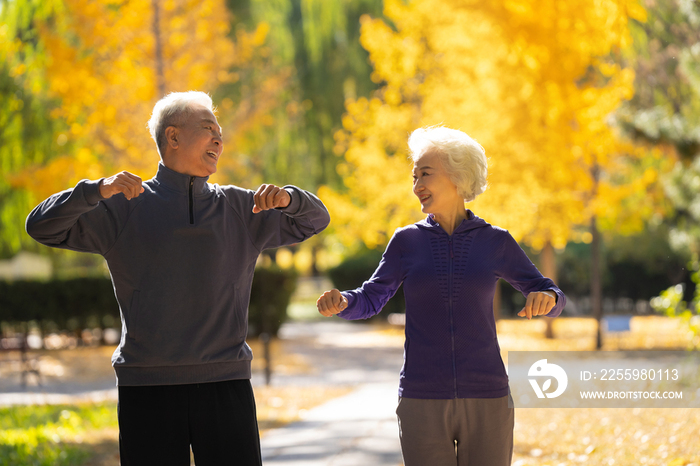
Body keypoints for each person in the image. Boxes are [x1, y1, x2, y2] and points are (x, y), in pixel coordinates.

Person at [26, 91, 330, 466]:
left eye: (220, 132)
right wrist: (97, 190)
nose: (219, 139)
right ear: (173, 137)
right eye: (207, 129)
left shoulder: (241, 208)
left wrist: (289, 199)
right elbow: (41, 226)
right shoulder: (124, 206)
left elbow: (316, 220)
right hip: (147, 387)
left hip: (226, 384)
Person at [316, 126, 566, 466]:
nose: (416, 185)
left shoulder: (495, 241)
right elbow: (372, 297)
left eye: (425, 174)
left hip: (488, 396)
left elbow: (546, 290)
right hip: (421, 398)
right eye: (414, 176)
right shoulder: (406, 242)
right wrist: (343, 302)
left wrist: (547, 299)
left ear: (457, 176)